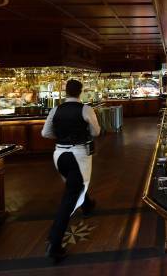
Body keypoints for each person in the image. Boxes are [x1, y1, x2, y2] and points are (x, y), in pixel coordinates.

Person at [41, 79, 101, 262]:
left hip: (59, 155)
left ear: (65, 92)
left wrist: (59, 137)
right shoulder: (85, 109)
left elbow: (45, 133)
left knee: (74, 184)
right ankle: (55, 242)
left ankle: (88, 204)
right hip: (78, 154)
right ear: (80, 92)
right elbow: (96, 131)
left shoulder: (55, 110)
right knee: (71, 195)